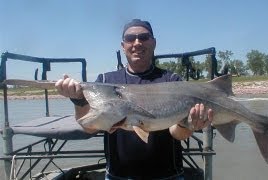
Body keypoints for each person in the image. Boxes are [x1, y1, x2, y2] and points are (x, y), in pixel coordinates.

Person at [55, 19, 214, 180]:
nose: (137, 43)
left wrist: (189, 125)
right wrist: (78, 100)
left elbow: (178, 134)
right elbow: (89, 127)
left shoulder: (172, 81)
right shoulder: (104, 81)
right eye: (130, 38)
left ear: (154, 43)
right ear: (123, 46)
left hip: (168, 176)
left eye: (144, 37)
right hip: (118, 176)